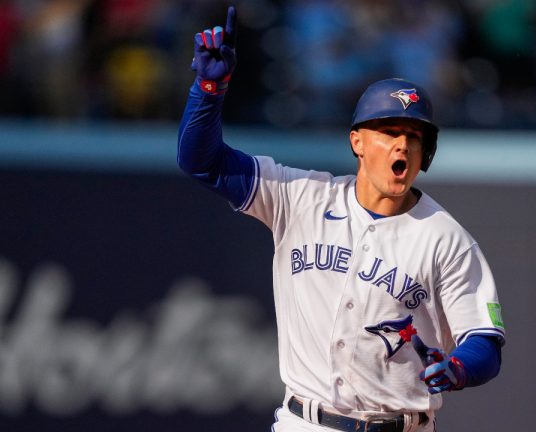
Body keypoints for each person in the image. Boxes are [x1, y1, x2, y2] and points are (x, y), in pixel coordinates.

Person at [177, 7, 505, 432]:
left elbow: (486, 340)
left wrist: (459, 368)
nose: (401, 145)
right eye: (388, 132)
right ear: (358, 141)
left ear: (425, 154)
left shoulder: (446, 239)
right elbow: (202, 163)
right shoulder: (300, 196)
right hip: (305, 423)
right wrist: (208, 89)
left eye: (413, 137)